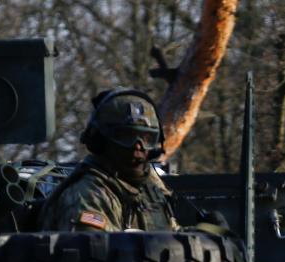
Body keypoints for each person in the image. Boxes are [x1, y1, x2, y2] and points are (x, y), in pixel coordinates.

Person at [37, 88, 179, 233]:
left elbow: (172, 234)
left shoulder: (151, 187)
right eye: (127, 136)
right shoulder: (87, 194)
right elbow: (98, 250)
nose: (138, 146)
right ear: (101, 141)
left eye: (146, 138)